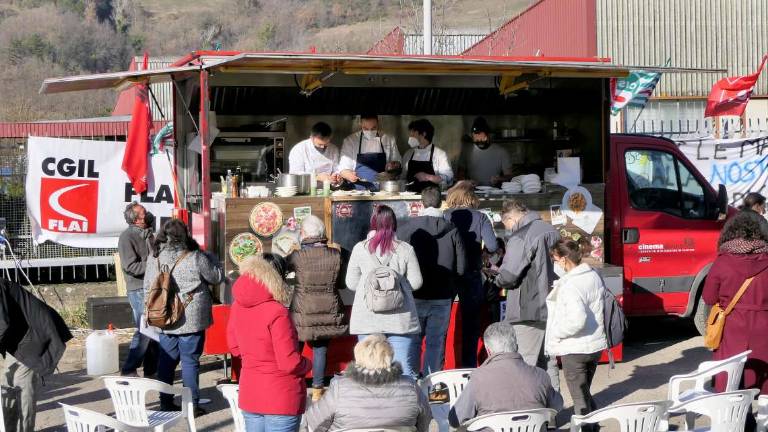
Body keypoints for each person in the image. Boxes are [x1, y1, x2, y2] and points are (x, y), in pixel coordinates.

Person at [143, 219, 223, 416]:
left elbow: (147, 286)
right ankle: (191, 406)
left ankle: (165, 402)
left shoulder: (155, 257)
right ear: (185, 235)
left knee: (166, 361)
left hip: (163, 317)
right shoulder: (195, 256)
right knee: (190, 362)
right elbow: (216, 277)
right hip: (191, 318)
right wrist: (211, 258)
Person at [227, 255, 311, 432]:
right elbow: (289, 362)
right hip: (281, 396)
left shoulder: (237, 306)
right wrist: (307, 364)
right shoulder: (277, 311)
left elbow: (234, 349)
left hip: (251, 391)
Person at [345, 205, 423, 377]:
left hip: (367, 318)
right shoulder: (405, 249)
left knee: (368, 369)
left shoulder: (360, 248)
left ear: (373, 223)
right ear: (394, 224)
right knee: (403, 369)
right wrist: (398, 287)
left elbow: (351, 283)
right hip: (400, 319)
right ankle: (406, 402)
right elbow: (416, 282)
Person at [397, 186, 465, 375]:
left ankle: (411, 380)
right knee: (436, 342)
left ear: (421, 204)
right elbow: (461, 267)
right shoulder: (452, 230)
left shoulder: (407, 228)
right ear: (441, 203)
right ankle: (432, 383)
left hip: (415, 294)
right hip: (442, 295)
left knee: (413, 339)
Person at [487, 199, 559, 371]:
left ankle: (529, 399)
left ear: (511, 218)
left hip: (528, 310)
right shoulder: (550, 229)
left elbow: (509, 276)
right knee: (549, 363)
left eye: (507, 225)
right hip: (553, 305)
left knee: (525, 364)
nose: (509, 229)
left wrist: (495, 276)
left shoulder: (521, 236)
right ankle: (553, 398)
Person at [306, 334, 432, 432]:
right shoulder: (410, 386)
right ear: (390, 356)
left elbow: (313, 425)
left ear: (358, 356)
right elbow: (424, 424)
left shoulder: (340, 387)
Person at [449, 322, 563, 428]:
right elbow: (557, 407)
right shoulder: (540, 375)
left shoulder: (478, 378)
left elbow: (455, 420)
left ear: (488, 351)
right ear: (516, 346)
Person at [703, 210, 768, 394]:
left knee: (732, 378)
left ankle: (739, 417)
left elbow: (708, 298)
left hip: (732, 327)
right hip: (764, 327)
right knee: (763, 378)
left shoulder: (722, 262)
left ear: (730, 232)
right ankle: (762, 419)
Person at [287, 215, 348, 401]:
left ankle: (293, 384)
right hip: (328, 309)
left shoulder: (297, 256)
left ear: (304, 233)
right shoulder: (336, 255)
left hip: (301, 309)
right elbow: (342, 284)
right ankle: (317, 391)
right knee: (320, 349)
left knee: (293, 347)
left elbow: (281, 270)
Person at [0, 278, 73, 432]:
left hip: (34, 334)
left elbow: (2, 324)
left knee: (21, 387)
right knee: (7, 384)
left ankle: (24, 429)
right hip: (18, 338)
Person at [545, 239, 607, 418]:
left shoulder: (570, 285)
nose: (555, 263)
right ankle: (593, 425)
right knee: (585, 394)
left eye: (555, 259)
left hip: (575, 349)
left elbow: (576, 320)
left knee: (580, 401)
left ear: (564, 259)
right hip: (594, 346)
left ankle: (585, 427)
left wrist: (556, 333)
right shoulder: (593, 275)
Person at [444, 181, 498, 367]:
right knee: (471, 325)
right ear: (472, 198)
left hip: (448, 273)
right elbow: (492, 246)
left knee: (442, 324)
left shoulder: (445, 215)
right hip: (471, 273)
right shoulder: (481, 217)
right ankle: (468, 368)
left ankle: (441, 367)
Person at [118, 202, 158, 377]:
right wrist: (153, 265)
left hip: (151, 286)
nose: (148, 214)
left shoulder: (149, 233)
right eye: (144, 213)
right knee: (145, 331)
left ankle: (152, 370)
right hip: (138, 289)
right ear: (136, 219)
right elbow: (130, 266)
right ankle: (128, 369)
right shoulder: (127, 237)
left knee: (155, 329)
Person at [339, 114, 402, 188]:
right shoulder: (351, 141)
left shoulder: (388, 139)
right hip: (358, 189)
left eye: (373, 128)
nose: (370, 131)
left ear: (378, 124)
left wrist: (393, 168)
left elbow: (397, 163)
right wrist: (349, 175)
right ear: (360, 124)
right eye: (365, 128)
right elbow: (343, 168)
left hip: (384, 188)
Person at [457, 116, 516, 187]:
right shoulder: (467, 151)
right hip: (472, 190)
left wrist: (500, 179)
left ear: (489, 135)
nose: (480, 142)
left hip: (495, 190)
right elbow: (460, 173)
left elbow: (510, 176)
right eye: (476, 140)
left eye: (483, 138)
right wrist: (466, 182)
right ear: (472, 137)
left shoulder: (501, 151)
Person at [401, 118, 454, 192]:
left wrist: (427, 177)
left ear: (423, 134)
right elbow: (402, 177)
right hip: (410, 198)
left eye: (413, 133)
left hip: (432, 198)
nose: (410, 137)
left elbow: (449, 178)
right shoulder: (408, 154)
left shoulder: (440, 154)